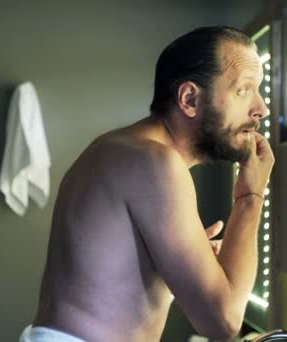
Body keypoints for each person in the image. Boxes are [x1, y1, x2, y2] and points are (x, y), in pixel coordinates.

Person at [21, 26, 274, 342]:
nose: (261, 109)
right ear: (190, 99)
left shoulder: (118, 149)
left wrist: (179, 266)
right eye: (243, 90)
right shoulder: (156, 163)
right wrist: (250, 195)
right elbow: (223, 323)